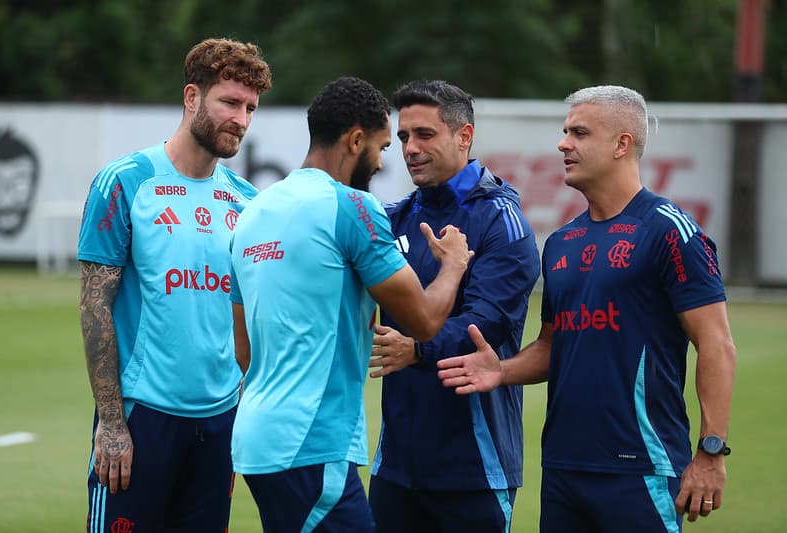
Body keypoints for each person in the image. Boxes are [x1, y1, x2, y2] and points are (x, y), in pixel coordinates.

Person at [438, 85, 737, 532]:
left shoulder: (668, 230)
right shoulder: (560, 243)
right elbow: (554, 345)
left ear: (622, 144)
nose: (563, 143)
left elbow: (716, 343)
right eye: (564, 132)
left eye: (578, 133)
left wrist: (711, 450)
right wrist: (502, 370)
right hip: (562, 469)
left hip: (641, 468)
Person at [228, 76, 474, 533]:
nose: (383, 162)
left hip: (257, 439)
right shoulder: (354, 207)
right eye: (382, 147)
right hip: (312, 442)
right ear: (355, 139)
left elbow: (243, 351)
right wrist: (454, 265)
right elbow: (422, 320)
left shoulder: (252, 214)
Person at [77, 37, 271, 532]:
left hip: (220, 423)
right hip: (144, 419)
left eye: (250, 108)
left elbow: (248, 317)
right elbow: (95, 306)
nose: (242, 120)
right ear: (192, 97)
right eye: (230, 102)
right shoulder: (125, 181)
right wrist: (113, 423)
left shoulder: (248, 203)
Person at [366, 79, 540, 533]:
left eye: (425, 134)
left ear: (464, 137)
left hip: (475, 467)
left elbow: (489, 322)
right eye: (404, 136)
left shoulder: (502, 221)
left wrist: (418, 350)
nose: (410, 148)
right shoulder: (395, 217)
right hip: (395, 467)